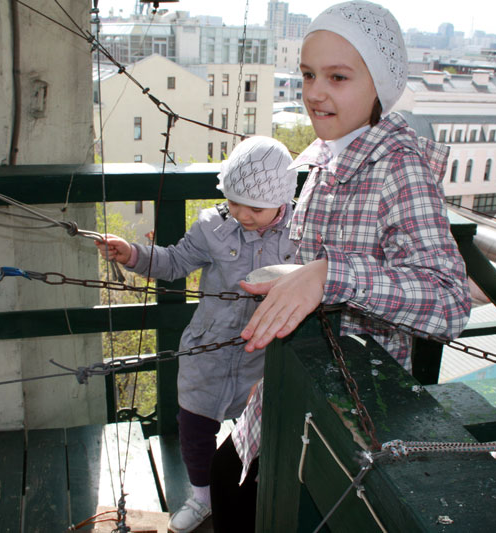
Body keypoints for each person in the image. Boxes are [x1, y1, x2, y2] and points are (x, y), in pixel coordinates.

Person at [209, 3, 472, 531]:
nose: (314, 92)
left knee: (255, 499)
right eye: (308, 74)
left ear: (380, 84)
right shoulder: (330, 156)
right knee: (229, 479)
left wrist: (331, 275)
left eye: (338, 77)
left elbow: (450, 301)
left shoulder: (399, 168)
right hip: (301, 382)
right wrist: (301, 281)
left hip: (352, 411)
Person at [96, 136, 298, 533]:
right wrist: (133, 254)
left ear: (282, 201)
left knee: (260, 432)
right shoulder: (213, 227)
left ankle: (253, 497)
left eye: (255, 208)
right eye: (234, 202)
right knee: (194, 427)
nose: (242, 214)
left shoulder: (304, 233)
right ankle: (202, 497)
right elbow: (174, 262)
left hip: (265, 355)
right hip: (209, 348)